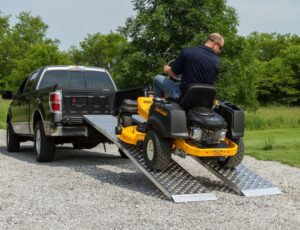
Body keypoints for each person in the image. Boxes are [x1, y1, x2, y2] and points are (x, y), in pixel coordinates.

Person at [153, 33, 224, 100]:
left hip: (184, 96)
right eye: (220, 48)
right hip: (203, 99)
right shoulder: (217, 61)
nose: (220, 51)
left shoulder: (187, 51)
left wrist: (166, 69)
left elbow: (173, 73)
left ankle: (158, 106)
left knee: (157, 78)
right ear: (214, 44)